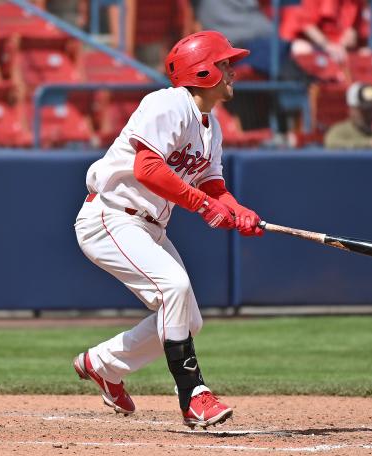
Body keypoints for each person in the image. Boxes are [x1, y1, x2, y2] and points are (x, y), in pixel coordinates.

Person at [72, 30, 263, 429]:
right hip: (111, 216)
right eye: (226, 64)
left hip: (150, 226)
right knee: (173, 288)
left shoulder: (212, 127)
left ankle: (102, 363)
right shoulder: (167, 103)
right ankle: (193, 395)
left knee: (186, 318)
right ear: (204, 69)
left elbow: (213, 186)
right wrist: (203, 205)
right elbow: (147, 168)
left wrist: (238, 211)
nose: (233, 72)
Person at [324, 82, 372, 149]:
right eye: (364, 111)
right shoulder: (339, 132)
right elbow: (332, 143)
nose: (369, 115)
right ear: (351, 109)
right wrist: (370, 143)